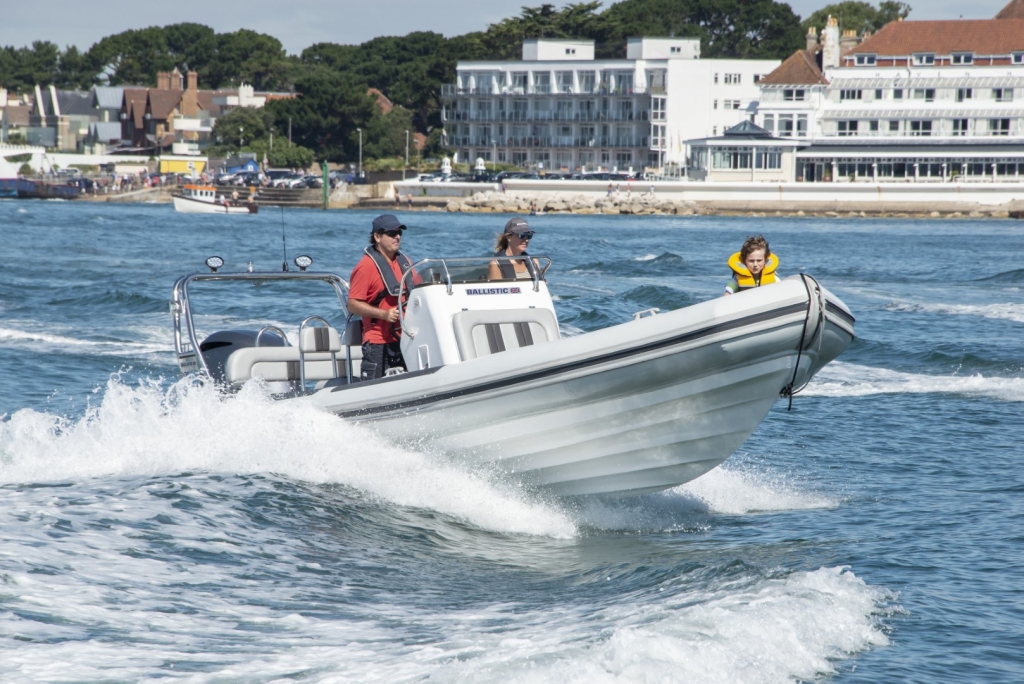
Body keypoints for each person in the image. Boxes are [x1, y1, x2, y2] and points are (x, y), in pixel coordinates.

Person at [348, 215, 418, 381]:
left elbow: (419, 291)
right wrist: (383, 314)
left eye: (399, 232)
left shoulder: (405, 262)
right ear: (377, 237)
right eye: (392, 233)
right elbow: (352, 304)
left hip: (406, 340)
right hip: (377, 343)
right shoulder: (366, 267)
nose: (398, 236)